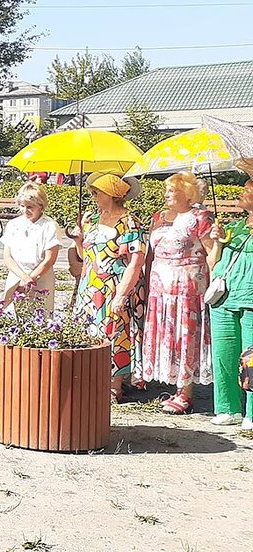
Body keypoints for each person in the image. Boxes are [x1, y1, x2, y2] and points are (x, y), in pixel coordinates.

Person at [141, 172, 216, 414]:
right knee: (165, 335)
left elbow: (212, 253)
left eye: (172, 191)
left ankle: (185, 392)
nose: (166, 194)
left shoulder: (200, 217)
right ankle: (170, 381)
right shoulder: (159, 217)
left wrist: (214, 283)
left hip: (187, 290)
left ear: (186, 193)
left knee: (186, 337)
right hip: (160, 288)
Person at [72, 173, 147, 402]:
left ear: (112, 194)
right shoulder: (90, 219)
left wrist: (122, 294)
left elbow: (136, 261)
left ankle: (115, 385)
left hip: (114, 284)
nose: (93, 195)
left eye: (98, 192)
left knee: (116, 332)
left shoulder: (129, 222)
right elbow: (86, 256)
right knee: (88, 331)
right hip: (90, 284)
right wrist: (77, 240)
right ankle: (91, 378)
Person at [207, 179, 253, 428]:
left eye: (248, 189)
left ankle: (252, 413)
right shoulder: (233, 227)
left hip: (250, 298)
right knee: (224, 355)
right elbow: (213, 263)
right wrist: (216, 242)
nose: (243, 193)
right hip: (223, 298)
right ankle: (228, 408)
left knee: (252, 357)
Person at [0, 181, 66, 309]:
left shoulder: (49, 226)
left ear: (41, 206)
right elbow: (7, 257)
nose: (25, 210)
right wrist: (23, 277)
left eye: (30, 207)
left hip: (40, 278)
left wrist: (31, 279)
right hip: (17, 276)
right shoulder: (13, 224)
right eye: (22, 206)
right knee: (14, 316)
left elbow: (49, 259)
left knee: (39, 315)